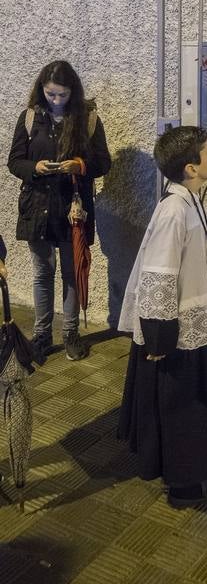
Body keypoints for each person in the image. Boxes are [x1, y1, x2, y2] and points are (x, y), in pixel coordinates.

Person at [118, 126, 207, 508]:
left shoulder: (190, 200)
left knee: (192, 399)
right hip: (173, 331)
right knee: (180, 405)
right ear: (191, 167)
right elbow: (159, 273)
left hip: (190, 322)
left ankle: (191, 474)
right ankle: (184, 483)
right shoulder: (173, 211)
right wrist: (158, 336)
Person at [7, 60, 111, 361]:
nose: (56, 100)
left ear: (72, 92)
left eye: (62, 95)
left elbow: (103, 163)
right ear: (42, 89)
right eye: (51, 94)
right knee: (42, 273)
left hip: (72, 207)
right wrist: (35, 168)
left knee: (71, 272)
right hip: (37, 205)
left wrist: (80, 165)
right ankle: (41, 335)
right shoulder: (29, 117)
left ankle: (70, 334)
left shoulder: (88, 119)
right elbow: (15, 162)